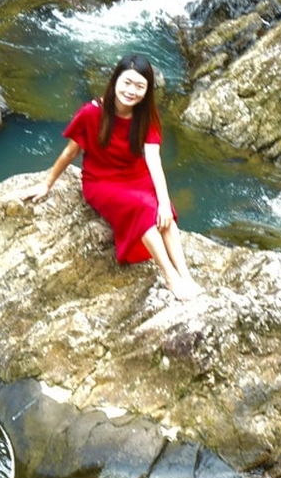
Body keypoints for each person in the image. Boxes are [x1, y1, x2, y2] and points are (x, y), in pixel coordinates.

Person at [25, 53, 203, 300]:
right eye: (127, 82)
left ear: (147, 90)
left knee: (165, 215)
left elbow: (153, 159)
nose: (132, 91)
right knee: (143, 211)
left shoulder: (146, 116)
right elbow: (70, 152)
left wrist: (163, 201)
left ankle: (185, 275)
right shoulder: (92, 112)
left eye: (140, 86)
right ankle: (170, 276)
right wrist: (46, 184)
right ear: (115, 80)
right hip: (101, 181)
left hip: (136, 176)